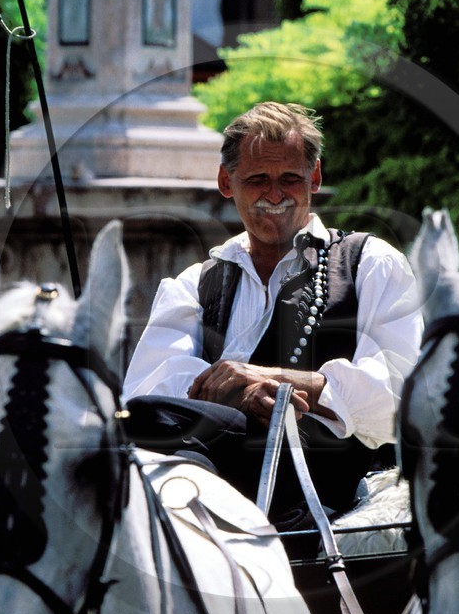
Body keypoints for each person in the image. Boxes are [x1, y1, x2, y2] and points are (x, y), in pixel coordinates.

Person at [122, 101, 422, 524]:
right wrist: (237, 391)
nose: (275, 195)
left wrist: (275, 381)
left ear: (314, 178)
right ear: (227, 182)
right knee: (134, 423)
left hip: (327, 483)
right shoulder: (195, 283)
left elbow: (405, 401)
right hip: (215, 472)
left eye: (291, 179)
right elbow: (144, 393)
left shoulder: (369, 263)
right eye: (258, 179)